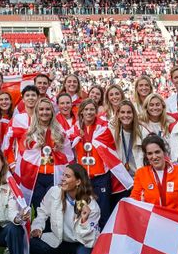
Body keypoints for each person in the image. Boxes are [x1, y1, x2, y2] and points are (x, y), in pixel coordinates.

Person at [30, 164, 101, 254]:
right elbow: (42, 212)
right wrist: (37, 227)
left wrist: (84, 220)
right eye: (63, 174)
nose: (62, 178)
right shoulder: (54, 192)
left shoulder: (92, 206)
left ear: (78, 181)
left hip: (82, 243)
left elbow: (91, 241)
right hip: (60, 240)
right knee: (30, 242)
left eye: (67, 176)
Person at [70, 99, 113, 228]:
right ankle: (84, 239)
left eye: (92, 109)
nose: (89, 112)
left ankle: (104, 241)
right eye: (86, 109)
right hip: (82, 179)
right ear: (81, 112)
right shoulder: (75, 128)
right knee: (83, 210)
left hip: (101, 176)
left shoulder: (103, 126)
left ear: (96, 111)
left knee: (104, 211)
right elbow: (65, 142)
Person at [25, 97, 72, 212]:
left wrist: (59, 151)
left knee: (54, 211)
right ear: (36, 112)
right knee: (38, 210)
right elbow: (24, 155)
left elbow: (69, 156)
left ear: (52, 112)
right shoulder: (30, 132)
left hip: (54, 176)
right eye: (41, 109)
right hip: (36, 177)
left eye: (47, 109)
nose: (44, 112)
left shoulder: (60, 132)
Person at [112, 100, 144, 178]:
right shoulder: (113, 132)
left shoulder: (142, 131)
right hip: (122, 179)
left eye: (129, 112)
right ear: (118, 115)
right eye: (122, 112)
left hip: (139, 177)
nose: (126, 115)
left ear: (133, 114)